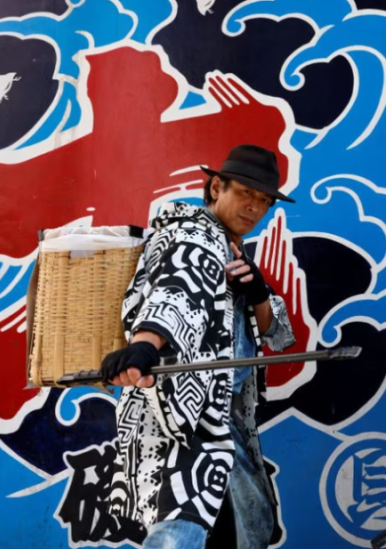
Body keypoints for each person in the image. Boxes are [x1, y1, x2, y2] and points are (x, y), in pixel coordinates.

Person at [100, 144, 296, 549]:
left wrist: (258, 293)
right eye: (245, 193)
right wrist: (146, 344)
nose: (254, 208)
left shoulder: (233, 249)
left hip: (226, 420)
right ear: (215, 188)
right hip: (184, 417)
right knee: (181, 533)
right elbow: (175, 292)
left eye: (263, 201)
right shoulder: (191, 235)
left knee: (232, 532)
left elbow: (279, 335)